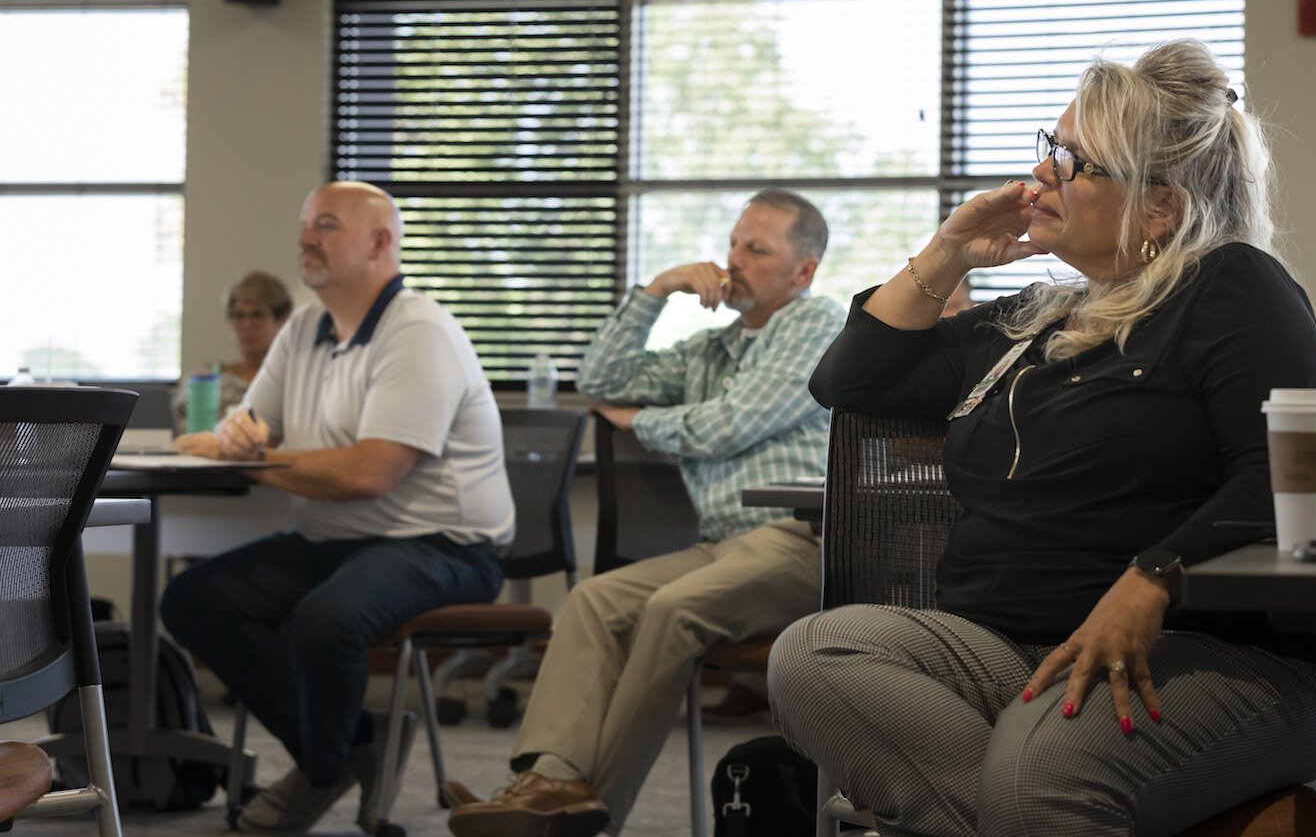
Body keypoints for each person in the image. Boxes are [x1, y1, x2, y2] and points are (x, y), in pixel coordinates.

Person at [768, 40, 1316, 835]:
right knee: (814, 654)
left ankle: (1037, 796)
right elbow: (851, 381)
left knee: (1038, 772)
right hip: (1006, 651)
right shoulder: (1031, 318)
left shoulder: (1231, 286)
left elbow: (1287, 477)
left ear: (1158, 208)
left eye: (1074, 162)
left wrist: (1149, 579)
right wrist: (948, 249)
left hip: (1205, 653)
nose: (1040, 175)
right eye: (1050, 149)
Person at [446, 188, 845, 837]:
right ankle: (551, 775)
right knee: (593, 600)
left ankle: (590, 810)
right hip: (722, 545)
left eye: (758, 248)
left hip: (800, 539)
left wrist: (644, 422)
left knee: (671, 610)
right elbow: (600, 376)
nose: (734, 259)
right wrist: (658, 289)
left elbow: (732, 424)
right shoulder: (708, 351)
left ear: (803, 271)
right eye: (734, 243)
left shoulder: (817, 322)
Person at [163, 181, 513, 835]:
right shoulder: (304, 327)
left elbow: (370, 473)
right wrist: (238, 436)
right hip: (335, 539)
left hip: (446, 545)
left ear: (381, 242)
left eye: (326, 225)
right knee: (192, 600)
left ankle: (319, 775)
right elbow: (248, 426)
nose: (304, 238)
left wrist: (249, 454)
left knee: (323, 622)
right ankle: (352, 747)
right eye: (304, 224)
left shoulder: (420, 332)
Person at [171, 271, 293, 431]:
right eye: (239, 315)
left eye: (258, 315)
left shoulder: (295, 380)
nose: (247, 325)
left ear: (282, 320)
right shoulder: (204, 379)